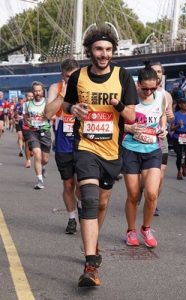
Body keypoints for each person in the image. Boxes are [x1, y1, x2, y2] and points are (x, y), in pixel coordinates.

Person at [63, 25, 138, 287]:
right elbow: (65, 105)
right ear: (90, 51)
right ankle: (91, 264)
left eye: (108, 49)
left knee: (102, 204)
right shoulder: (79, 76)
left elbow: (130, 116)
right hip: (85, 147)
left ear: (113, 51)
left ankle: (93, 243)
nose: (103, 54)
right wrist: (73, 108)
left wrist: (116, 103)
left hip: (112, 152)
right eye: (98, 49)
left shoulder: (122, 76)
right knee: (91, 201)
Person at [122, 63, 167, 248]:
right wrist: (129, 128)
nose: (148, 92)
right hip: (131, 149)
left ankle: (146, 228)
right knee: (133, 195)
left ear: (157, 84)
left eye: (152, 88)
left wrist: (163, 128)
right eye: (145, 88)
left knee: (151, 193)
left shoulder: (161, 96)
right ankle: (131, 230)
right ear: (138, 84)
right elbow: (116, 122)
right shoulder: (129, 98)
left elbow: (162, 114)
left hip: (152, 150)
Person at [45, 58, 79, 234]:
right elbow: (48, 113)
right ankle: (72, 218)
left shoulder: (85, 87)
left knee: (83, 184)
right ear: (62, 76)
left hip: (83, 144)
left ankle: (81, 206)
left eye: (74, 77)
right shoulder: (55, 88)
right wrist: (62, 95)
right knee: (68, 185)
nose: (71, 80)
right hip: (64, 145)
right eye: (68, 77)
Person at [150, 62, 174, 216]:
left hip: (160, 137)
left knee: (161, 173)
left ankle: (154, 202)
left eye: (159, 71)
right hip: (143, 137)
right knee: (142, 177)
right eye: (154, 71)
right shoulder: (140, 91)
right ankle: (141, 191)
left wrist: (170, 117)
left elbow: (169, 115)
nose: (157, 74)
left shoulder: (166, 95)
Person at [22, 81, 52, 190]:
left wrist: (47, 117)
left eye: (39, 90)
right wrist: (27, 120)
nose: (37, 93)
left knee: (45, 159)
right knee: (36, 154)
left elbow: (53, 116)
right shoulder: (27, 104)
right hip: (32, 132)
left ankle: (43, 166)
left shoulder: (48, 103)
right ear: (33, 92)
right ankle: (39, 180)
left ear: (42, 91)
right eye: (35, 91)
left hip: (45, 132)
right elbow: (25, 115)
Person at [171, 96, 186, 180]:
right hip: (177, 136)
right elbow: (171, 128)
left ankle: (184, 165)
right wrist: (178, 125)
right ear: (180, 105)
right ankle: (179, 172)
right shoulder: (176, 115)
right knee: (179, 155)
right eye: (184, 103)